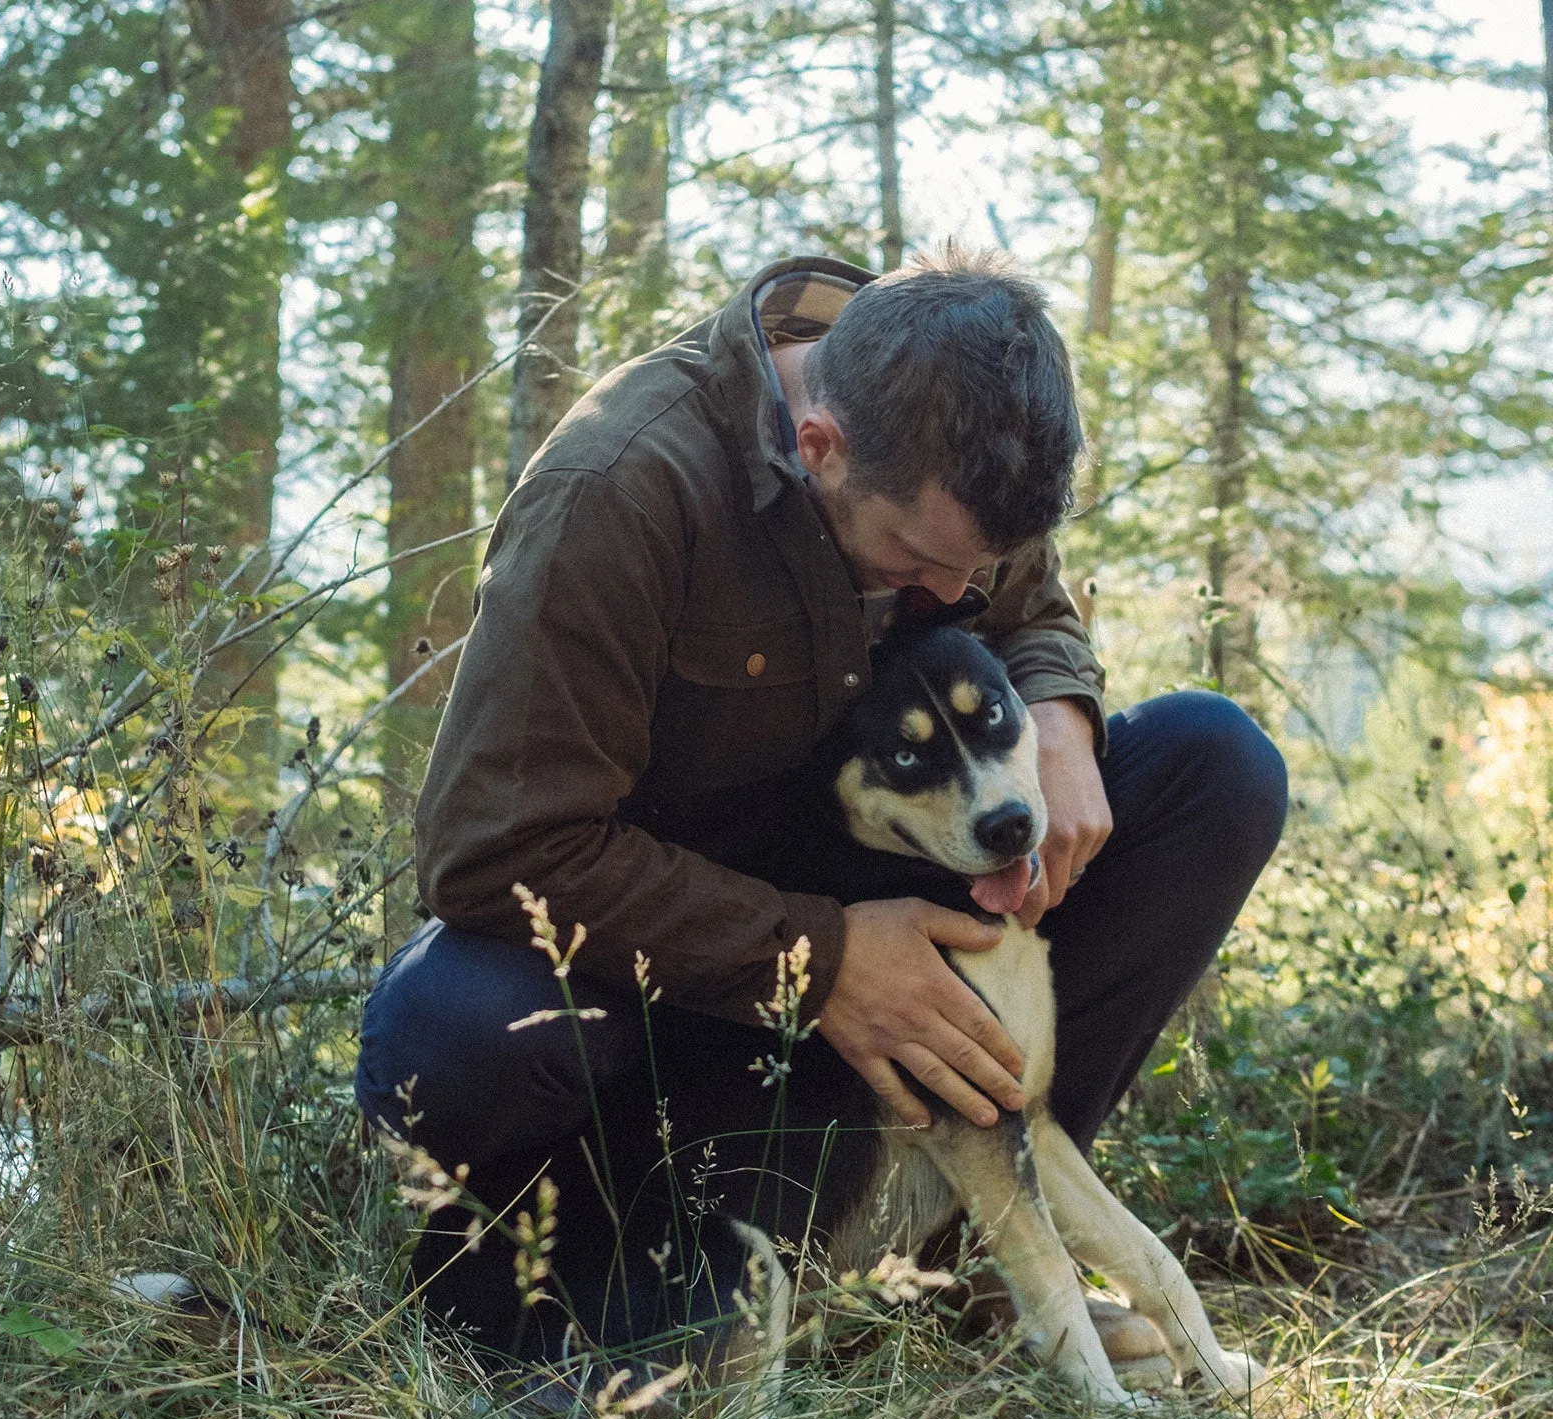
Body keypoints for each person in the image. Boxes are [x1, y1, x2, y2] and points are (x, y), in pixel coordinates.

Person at [355, 244, 1288, 1361]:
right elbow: (492, 844)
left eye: (973, 567)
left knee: (1211, 765)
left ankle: (969, 1256)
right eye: (917, 562)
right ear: (820, 448)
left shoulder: (961, 419)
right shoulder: (620, 490)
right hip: (660, 953)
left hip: (879, 869)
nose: (950, 596)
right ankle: (573, 1309)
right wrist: (821, 959)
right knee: (460, 1027)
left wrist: (1062, 717)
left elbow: (1027, 613)